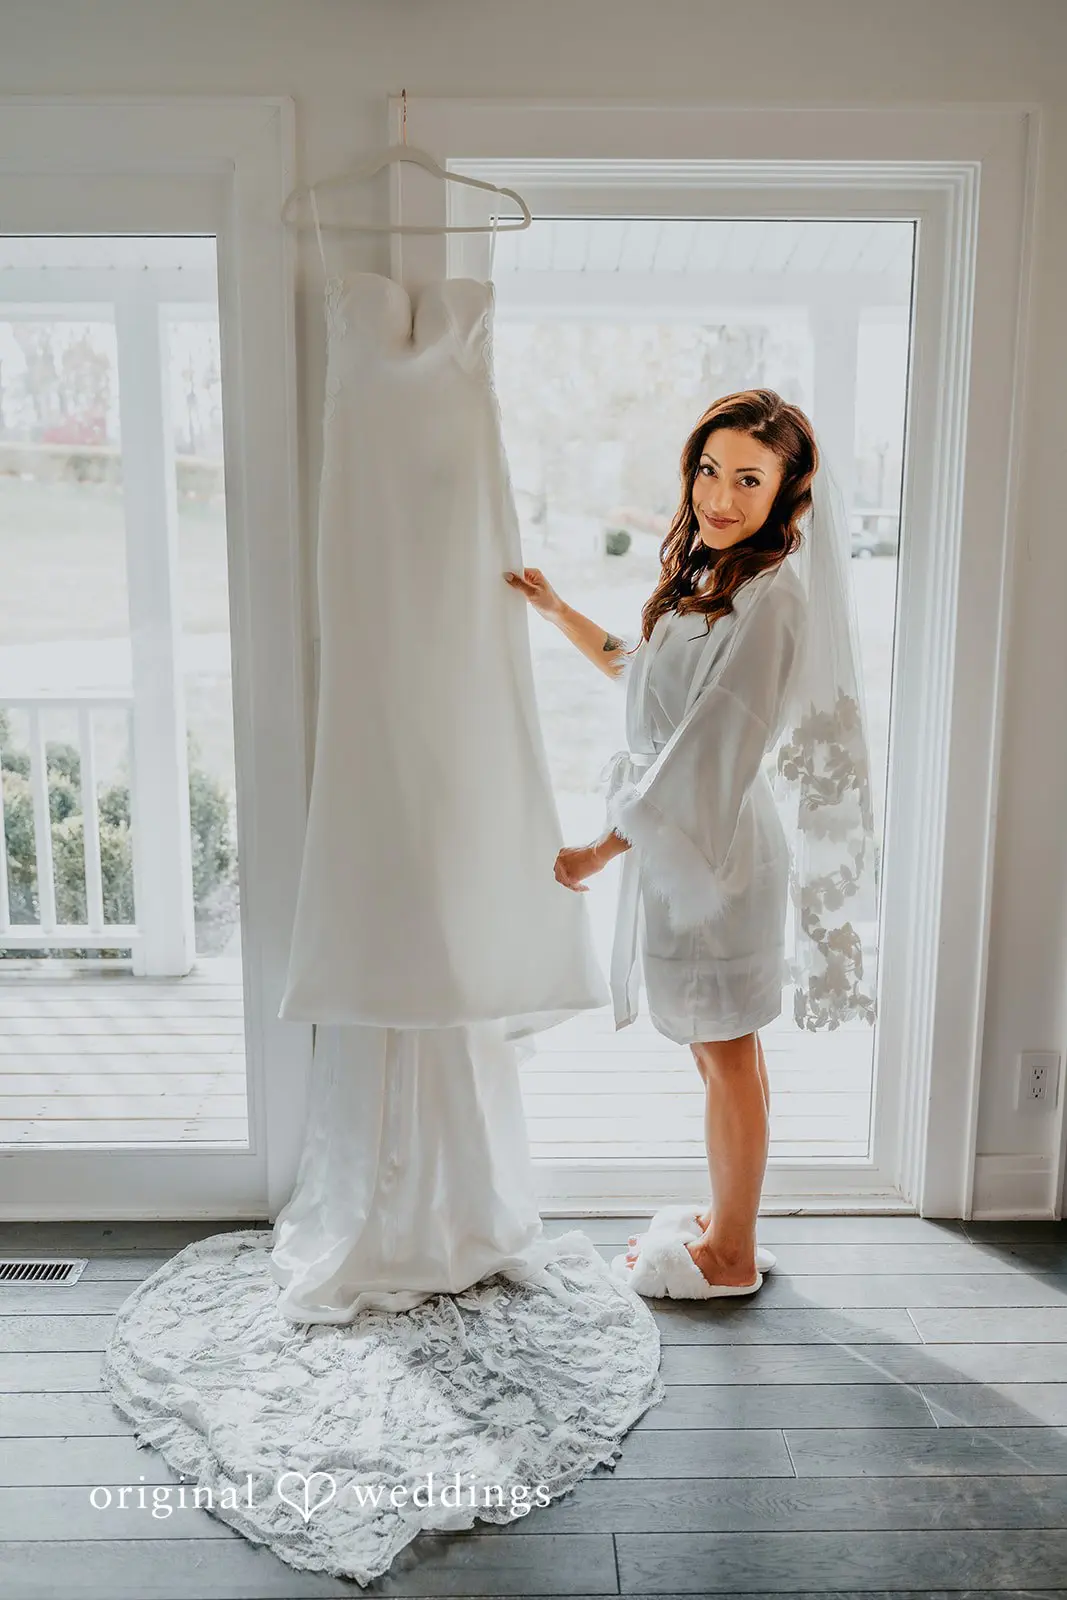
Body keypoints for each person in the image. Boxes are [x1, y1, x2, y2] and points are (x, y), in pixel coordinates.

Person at [505, 388, 877, 1302]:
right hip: (683, 844)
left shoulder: (774, 598)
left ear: (789, 491)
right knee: (718, 1051)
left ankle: (732, 1251)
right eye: (708, 470)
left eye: (748, 478)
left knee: (727, 1051)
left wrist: (601, 846)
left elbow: (711, 739)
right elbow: (649, 679)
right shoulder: (716, 579)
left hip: (715, 851)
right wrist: (558, 612)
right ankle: (725, 1224)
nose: (719, 495)